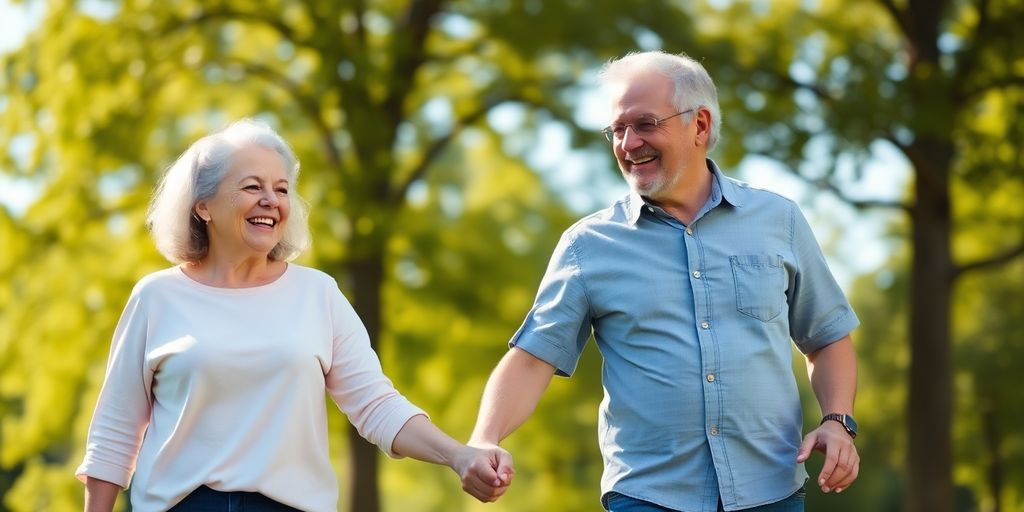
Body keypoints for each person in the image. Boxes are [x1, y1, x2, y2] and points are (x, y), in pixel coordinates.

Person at [464, 51, 861, 511]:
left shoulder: (779, 220)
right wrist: (483, 437)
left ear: (700, 125)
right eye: (617, 130)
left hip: (770, 491)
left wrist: (837, 421)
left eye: (646, 124)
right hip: (648, 497)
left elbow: (827, 337)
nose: (629, 144)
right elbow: (532, 359)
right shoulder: (588, 245)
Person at [76, 119, 511, 511]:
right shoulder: (157, 297)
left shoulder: (317, 293)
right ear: (203, 206)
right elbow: (115, 431)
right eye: (252, 187)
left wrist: (460, 455)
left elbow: (376, 405)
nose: (271, 201)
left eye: (281, 189)